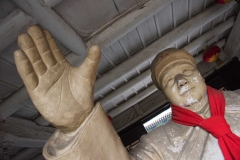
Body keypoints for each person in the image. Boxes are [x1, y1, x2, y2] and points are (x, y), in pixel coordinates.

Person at [14, 25, 240, 160]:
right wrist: (78, 124)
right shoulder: (158, 143)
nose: (181, 81)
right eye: (169, 80)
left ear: (199, 73)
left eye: (185, 71)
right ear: (165, 95)